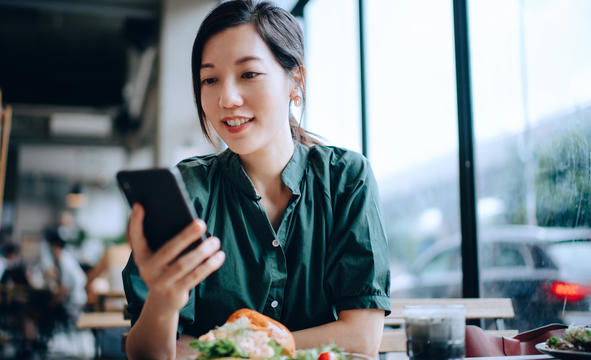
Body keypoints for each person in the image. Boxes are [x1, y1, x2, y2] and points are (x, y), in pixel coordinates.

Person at [122, 1, 391, 359]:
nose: (226, 98)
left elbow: (361, 338)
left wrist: (222, 347)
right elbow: (148, 351)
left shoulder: (346, 179)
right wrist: (163, 300)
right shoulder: (190, 190)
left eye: (248, 74)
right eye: (209, 79)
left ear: (295, 81)